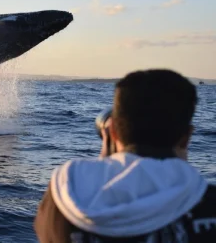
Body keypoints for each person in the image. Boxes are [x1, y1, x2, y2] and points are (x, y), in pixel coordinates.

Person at [34, 69, 216, 242]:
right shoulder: (208, 202)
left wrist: (107, 164)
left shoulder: (65, 195)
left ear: (112, 131)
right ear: (187, 137)